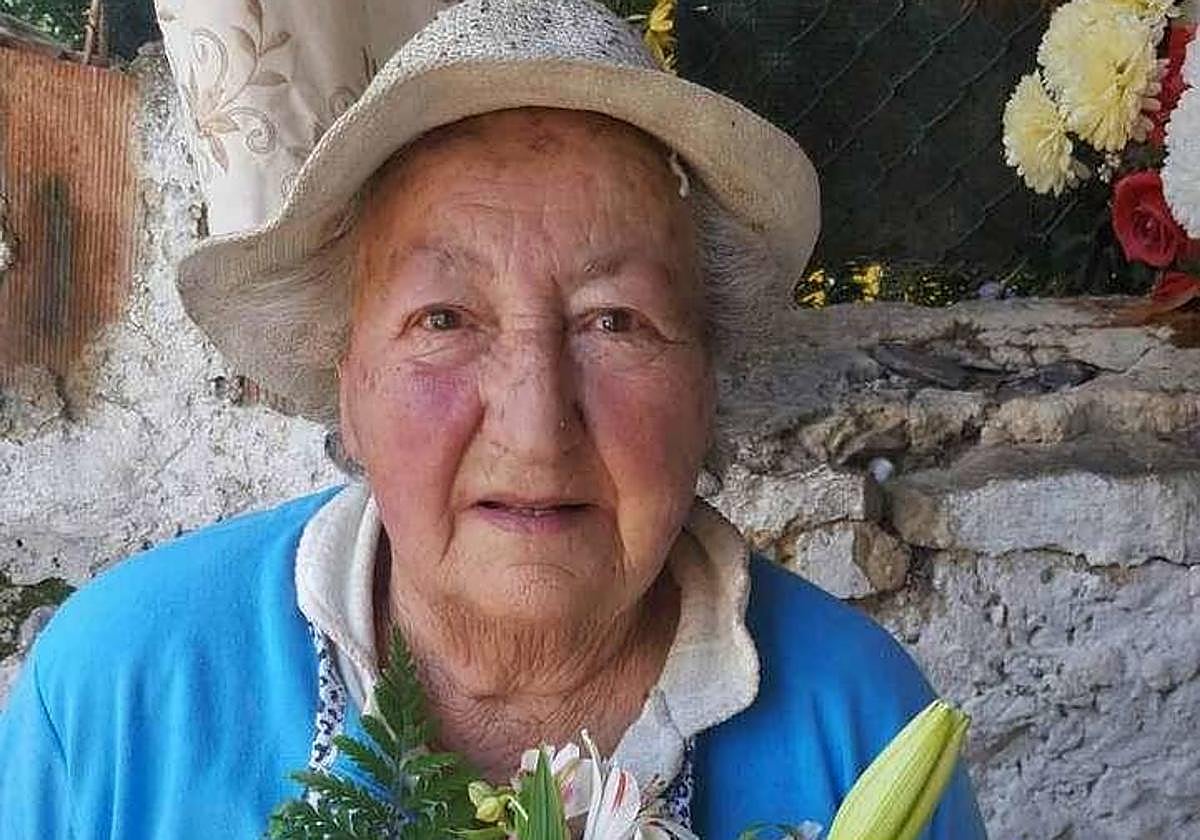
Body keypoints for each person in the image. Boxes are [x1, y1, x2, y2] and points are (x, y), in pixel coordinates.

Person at [0, 1, 987, 837]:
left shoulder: (862, 726)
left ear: (706, 383)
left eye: (615, 321)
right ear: (347, 383)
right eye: (444, 319)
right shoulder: (115, 693)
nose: (535, 426)